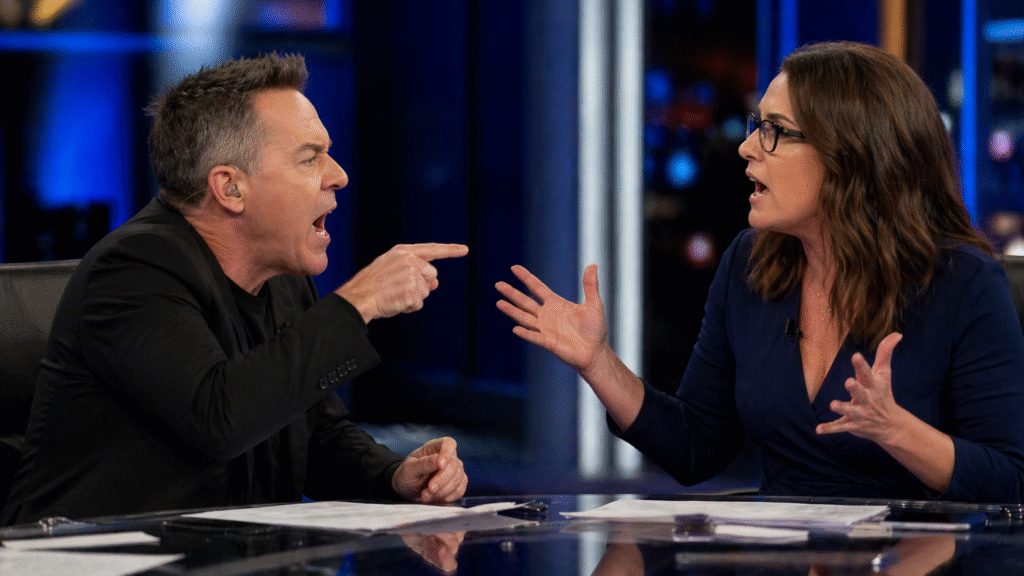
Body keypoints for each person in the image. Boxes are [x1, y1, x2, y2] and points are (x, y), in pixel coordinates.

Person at [496, 41, 1024, 503]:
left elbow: (1010, 480)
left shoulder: (963, 283)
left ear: (851, 157)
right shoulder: (751, 264)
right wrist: (599, 364)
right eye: (756, 125)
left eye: (775, 131)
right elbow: (697, 446)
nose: (748, 148)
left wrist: (897, 431)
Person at [2, 53, 469, 525]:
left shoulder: (285, 281)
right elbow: (220, 418)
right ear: (230, 188)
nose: (338, 175)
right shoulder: (133, 270)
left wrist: (393, 475)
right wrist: (358, 302)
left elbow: (316, 435)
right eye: (310, 158)